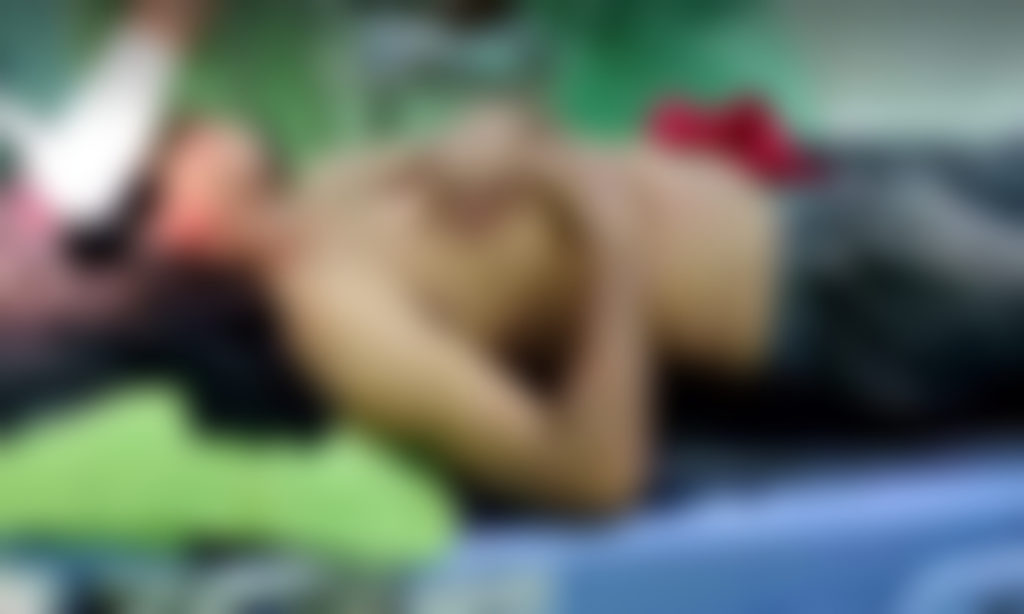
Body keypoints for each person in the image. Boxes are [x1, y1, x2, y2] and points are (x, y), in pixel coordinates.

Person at [141, 105, 1024, 514]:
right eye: (172, 150)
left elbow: (524, 128)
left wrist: (499, 136)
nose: (194, 123)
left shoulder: (331, 184)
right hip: (850, 297)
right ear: (185, 230)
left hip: (833, 213)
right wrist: (613, 245)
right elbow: (592, 476)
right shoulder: (339, 322)